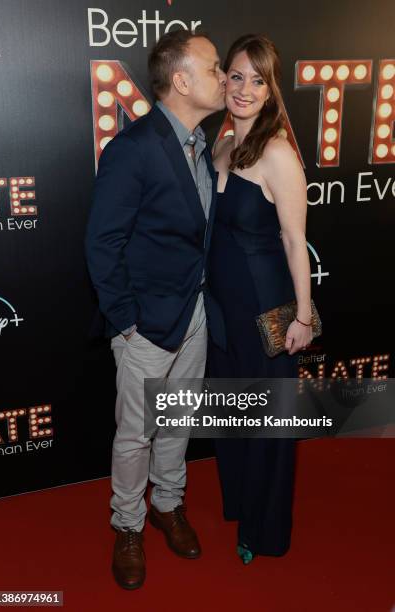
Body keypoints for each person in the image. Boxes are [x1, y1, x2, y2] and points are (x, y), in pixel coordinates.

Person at [85, 30, 226, 589]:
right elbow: (102, 243)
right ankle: (128, 525)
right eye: (215, 68)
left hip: (195, 313)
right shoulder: (135, 148)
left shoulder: (202, 146)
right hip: (147, 322)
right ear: (182, 80)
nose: (223, 78)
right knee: (137, 432)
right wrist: (126, 322)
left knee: (178, 421)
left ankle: (169, 504)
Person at [207, 34, 313, 563]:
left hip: (264, 310)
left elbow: (295, 242)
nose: (245, 89)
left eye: (258, 80)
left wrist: (306, 316)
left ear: (272, 91)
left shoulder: (278, 154)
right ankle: (239, 505)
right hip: (220, 310)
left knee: (267, 424)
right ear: (222, 78)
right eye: (237, 76)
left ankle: (263, 530)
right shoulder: (220, 146)